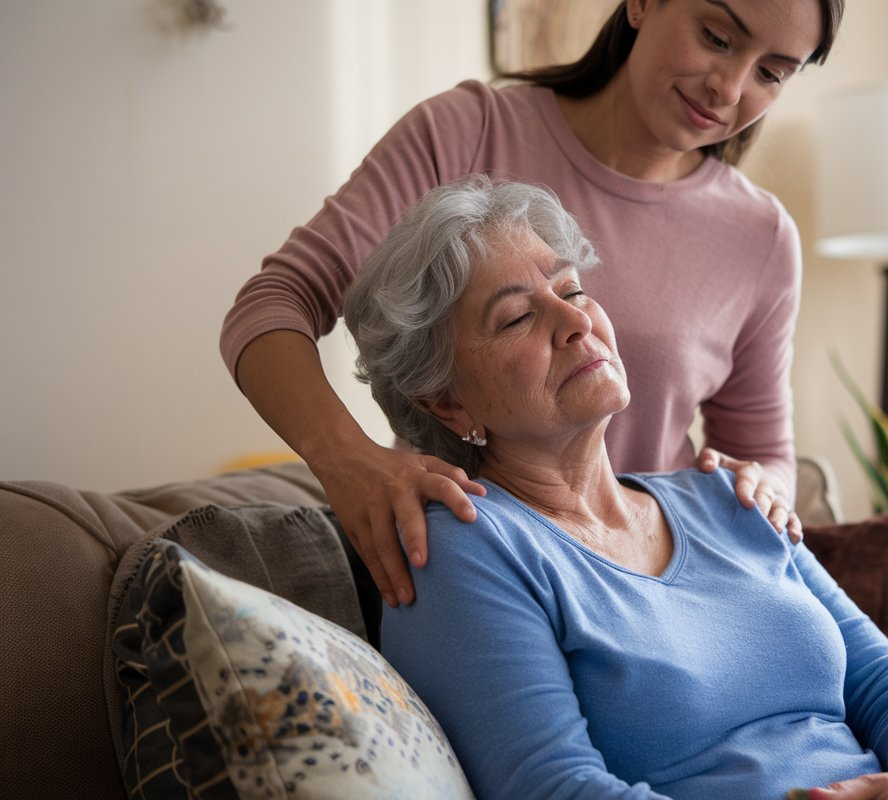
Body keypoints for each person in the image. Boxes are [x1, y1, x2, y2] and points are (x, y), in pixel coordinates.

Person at [351, 177, 888, 800]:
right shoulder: (467, 547)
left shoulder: (726, 497)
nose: (575, 319)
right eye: (517, 316)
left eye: (571, 288)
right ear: (445, 403)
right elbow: (552, 787)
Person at [220, 0, 845, 609]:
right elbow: (275, 302)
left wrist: (764, 485)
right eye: (716, 36)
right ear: (642, 3)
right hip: (486, 587)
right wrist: (349, 460)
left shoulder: (759, 236)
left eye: (772, 73)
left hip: (659, 601)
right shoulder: (468, 133)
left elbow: (761, 454)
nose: (729, 88)